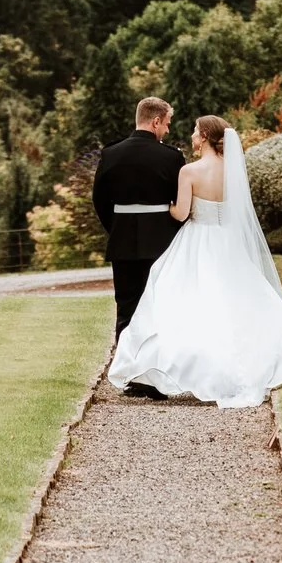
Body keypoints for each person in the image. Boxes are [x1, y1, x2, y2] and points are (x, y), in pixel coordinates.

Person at [107, 114, 282, 408]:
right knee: (233, 301)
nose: (191, 136)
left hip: (198, 240)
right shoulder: (233, 171)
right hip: (227, 242)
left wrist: (167, 205)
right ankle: (253, 360)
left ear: (203, 135)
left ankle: (186, 366)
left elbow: (181, 213)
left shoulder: (190, 171)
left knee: (183, 299)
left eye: (194, 131)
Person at [92, 96, 188, 397]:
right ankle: (157, 376)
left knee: (127, 307)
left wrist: (118, 227)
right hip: (161, 242)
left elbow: (99, 201)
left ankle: (131, 375)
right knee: (160, 307)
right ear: (155, 121)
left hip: (122, 242)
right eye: (166, 124)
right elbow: (180, 200)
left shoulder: (110, 154)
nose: (167, 131)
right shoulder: (172, 158)